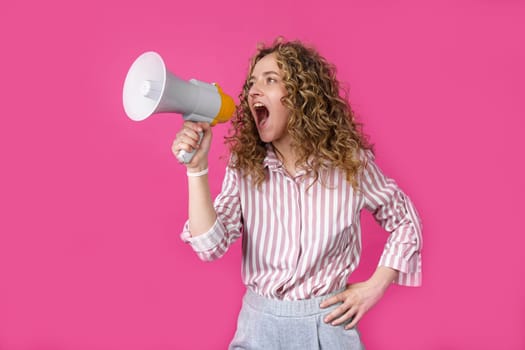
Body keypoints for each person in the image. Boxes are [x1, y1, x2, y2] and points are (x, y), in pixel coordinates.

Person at [172, 38, 422, 349]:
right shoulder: (245, 167)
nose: (254, 91)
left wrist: (376, 286)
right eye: (252, 83)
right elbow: (209, 246)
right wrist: (196, 169)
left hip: (327, 327)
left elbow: (405, 221)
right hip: (258, 328)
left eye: (270, 80)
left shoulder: (350, 164)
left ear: (304, 96)